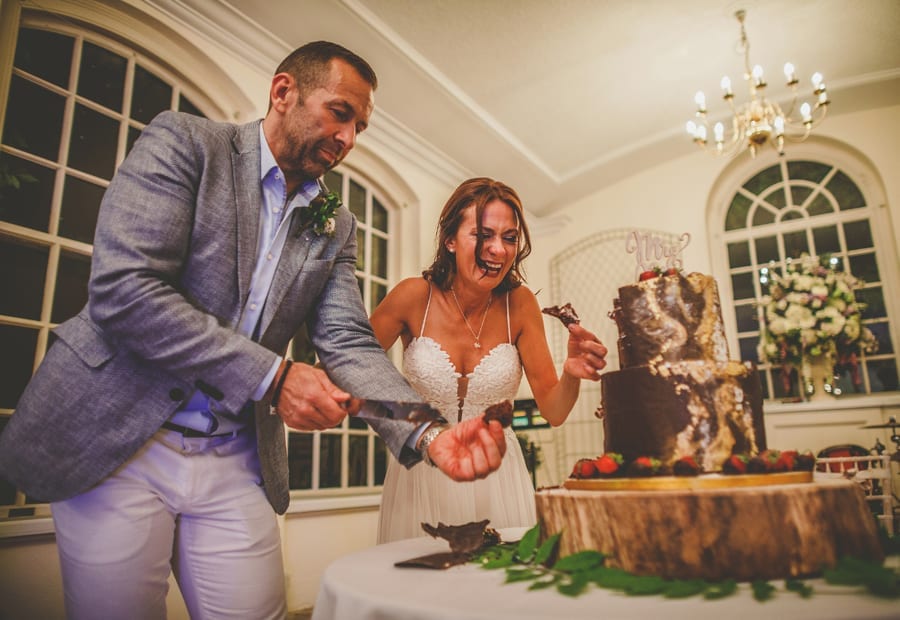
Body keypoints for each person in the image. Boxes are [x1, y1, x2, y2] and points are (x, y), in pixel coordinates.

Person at [0, 42, 507, 619]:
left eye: (360, 127)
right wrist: (274, 375)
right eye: (340, 112)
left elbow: (346, 342)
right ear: (283, 90)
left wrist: (428, 432)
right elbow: (126, 289)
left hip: (233, 455)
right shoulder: (187, 143)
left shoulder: (336, 225)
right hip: (120, 436)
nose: (348, 140)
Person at [370, 177, 608, 543]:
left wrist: (571, 373)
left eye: (510, 238)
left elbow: (555, 412)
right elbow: (352, 370)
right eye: (484, 235)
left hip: (499, 475)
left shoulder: (521, 305)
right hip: (422, 472)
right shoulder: (412, 297)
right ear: (450, 240)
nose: (498, 249)